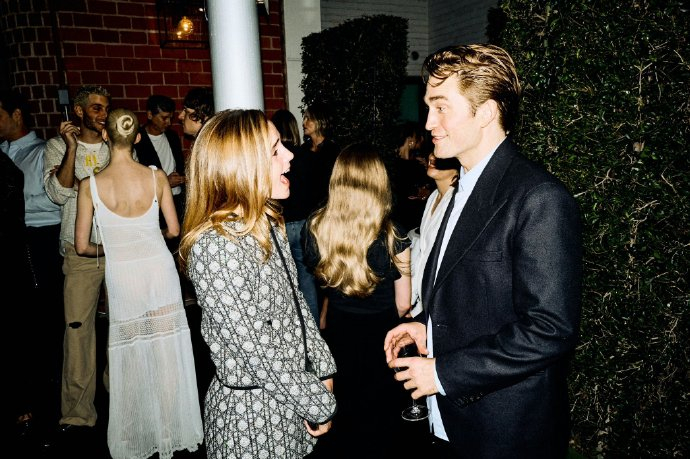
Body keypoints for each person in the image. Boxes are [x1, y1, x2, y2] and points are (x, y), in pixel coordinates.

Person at [383, 44, 583, 458]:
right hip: (453, 421)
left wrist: (443, 373)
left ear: (487, 112)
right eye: (429, 108)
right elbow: (470, 291)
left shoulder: (538, 197)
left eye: (441, 107)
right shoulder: (463, 187)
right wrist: (424, 325)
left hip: (505, 430)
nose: (429, 122)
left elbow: (550, 329)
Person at [178, 109, 337, 459]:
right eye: (275, 150)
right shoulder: (216, 246)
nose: (290, 156)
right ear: (240, 166)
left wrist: (322, 365)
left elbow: (295, 303)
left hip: (289, 399)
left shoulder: (266, 223)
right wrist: (317, 402)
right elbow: (256, 352)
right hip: (251, 418)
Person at [74, 108, 203, 459]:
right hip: (159, 270)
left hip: (124, 275)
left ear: (105, 135)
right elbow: (174, 230)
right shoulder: (156, 176)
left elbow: (82, 246)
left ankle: (140, 434)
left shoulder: (89, 185)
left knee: (131, 353)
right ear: (138, 138)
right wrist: (147, 236)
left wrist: (117, 244)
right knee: (166, 349)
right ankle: (173, 429)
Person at [302, 143, 412, 458]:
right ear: (379, 184)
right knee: (380, 416)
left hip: (339, 331)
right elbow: (404, 304)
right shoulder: (394, 235)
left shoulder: (315, 228)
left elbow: (322, 284)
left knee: (345, 412)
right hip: (383, 335)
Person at [43, 84, 111, 434]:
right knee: (78, 331)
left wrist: (117, 145)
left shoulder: (116, 145)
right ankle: (77, 413)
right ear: (80, 111)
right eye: (97, 108)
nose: (103, 114)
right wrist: (71, 148)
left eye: (107, 108)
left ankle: (120, 395)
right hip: (79, 250)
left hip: (118, 249)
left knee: (122, 326)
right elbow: (58, 192)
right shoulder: (57, 146)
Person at [1, 90, 64, 432]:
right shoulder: (3, 151)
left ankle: (48, 393)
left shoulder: (40, 151)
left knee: (43, 315)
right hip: (13, 242)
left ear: (17, 115)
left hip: (40, 238)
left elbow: (53, 200)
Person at [272, 108, 321, 325]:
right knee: (306, 278)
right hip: (303, 224)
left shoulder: (273, 159)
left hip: (281, 224)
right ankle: (312, 329)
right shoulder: (306, 156)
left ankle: (293, 327)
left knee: (284, 281)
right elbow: (315, 192)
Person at [407, 153, 461, 317]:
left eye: (442, 155)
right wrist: (412, 299)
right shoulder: (433, 196)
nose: (432, 156)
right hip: (422, 298)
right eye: (433, 151)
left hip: (440, 304)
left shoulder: (457, 203)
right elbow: (422, 253)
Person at [134, 94, 186, 227]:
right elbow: (135, 179)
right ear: (150, 115)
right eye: (164, 118)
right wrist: (165, 182)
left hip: (178, 200)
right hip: (154, 203)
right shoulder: (137, 140)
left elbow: (180, 165)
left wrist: (183, 178)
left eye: (170, 118)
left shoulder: (172, 136)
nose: (169, 122)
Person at [389, 121, 434, 234]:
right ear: (410, 140)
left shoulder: (412, 163)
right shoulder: (409, 166)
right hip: (407, 220)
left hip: (401, 219)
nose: (422, 139)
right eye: (418, 136)